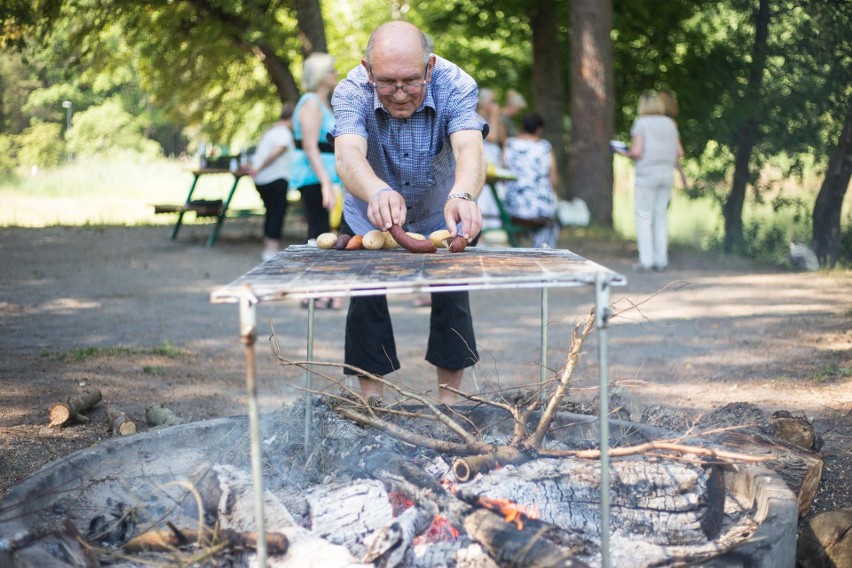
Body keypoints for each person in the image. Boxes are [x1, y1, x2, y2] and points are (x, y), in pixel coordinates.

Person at [330, 21, 488, 405]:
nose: (400, 94)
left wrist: (464, 193)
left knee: (452, 298)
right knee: (366, 301)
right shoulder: (350, 90)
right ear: (368, 70)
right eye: (386, 83)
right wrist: (376, 191)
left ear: (429, 68)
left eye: (411, 82)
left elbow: (469, 147)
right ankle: (373, 403)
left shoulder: (455, 83)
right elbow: (348, 153)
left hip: (441, 213)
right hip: (369, 213)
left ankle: (449, 405)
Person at [290, 52, 343, 309]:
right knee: (319, 233)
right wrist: (325, 182)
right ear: (321, 75)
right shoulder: (310, 102)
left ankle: (322, 289)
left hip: (327, 176)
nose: (336, 74)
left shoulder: (323, 103)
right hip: (314, 177)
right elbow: (311, 147)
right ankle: (312, 292)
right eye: (332, 70)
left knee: (326, 233)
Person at [615, 90, 684, 272]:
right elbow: (679, 152)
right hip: (667, 174)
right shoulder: (670, 123)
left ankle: (646, 260)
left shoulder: (641, 123)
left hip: (647, 174)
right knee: (660, 217)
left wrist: (624, 152)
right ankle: (661, 260)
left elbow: (637, 152)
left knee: (644, 217)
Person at [501, 113, 560, 248]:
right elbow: (554, 181)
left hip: (513, 206)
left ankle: (520, 246)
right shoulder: (545, 147)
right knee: (552, 221)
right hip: (540, 209)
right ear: (539, 129)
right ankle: (543, 250)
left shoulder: (509, 144)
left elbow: (502, 173)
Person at [248, 102, 295, 262]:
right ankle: (271, 250)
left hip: (263, 179)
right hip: (275, 178)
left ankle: (268, 248)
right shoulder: (283, 133)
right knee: (277, 213)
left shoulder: (273, 131)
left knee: (271, 213)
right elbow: (278, 149)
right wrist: (260, 167)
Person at [659, 89, 689, 189]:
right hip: (665, 171)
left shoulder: (646, 122)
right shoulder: (671, 123)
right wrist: (682, 174)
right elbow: (678, 152)